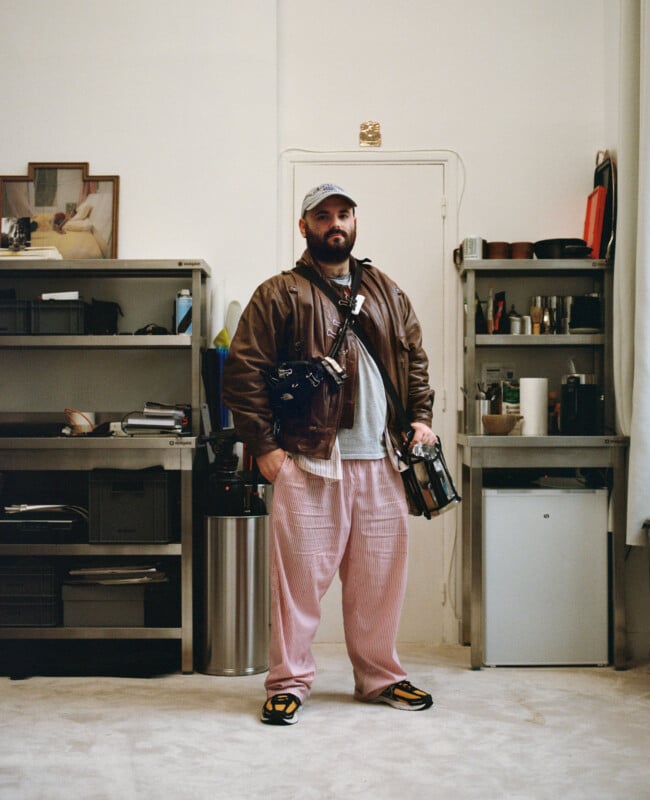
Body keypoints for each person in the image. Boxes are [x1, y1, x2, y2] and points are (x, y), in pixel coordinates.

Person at [223, 183, 437, 725]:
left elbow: (414, 359)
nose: (334, 223)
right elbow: (243, 374)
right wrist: (267, 451)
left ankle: (380, 676)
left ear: (355, 222)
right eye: (323, 216)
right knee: (298, 584)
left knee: (380, 580)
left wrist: (421, 418)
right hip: (310, 459)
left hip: (383, 461)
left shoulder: (387, 291)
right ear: (304, 227)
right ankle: (289, 681)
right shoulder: (279, 294)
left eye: (343, 214)